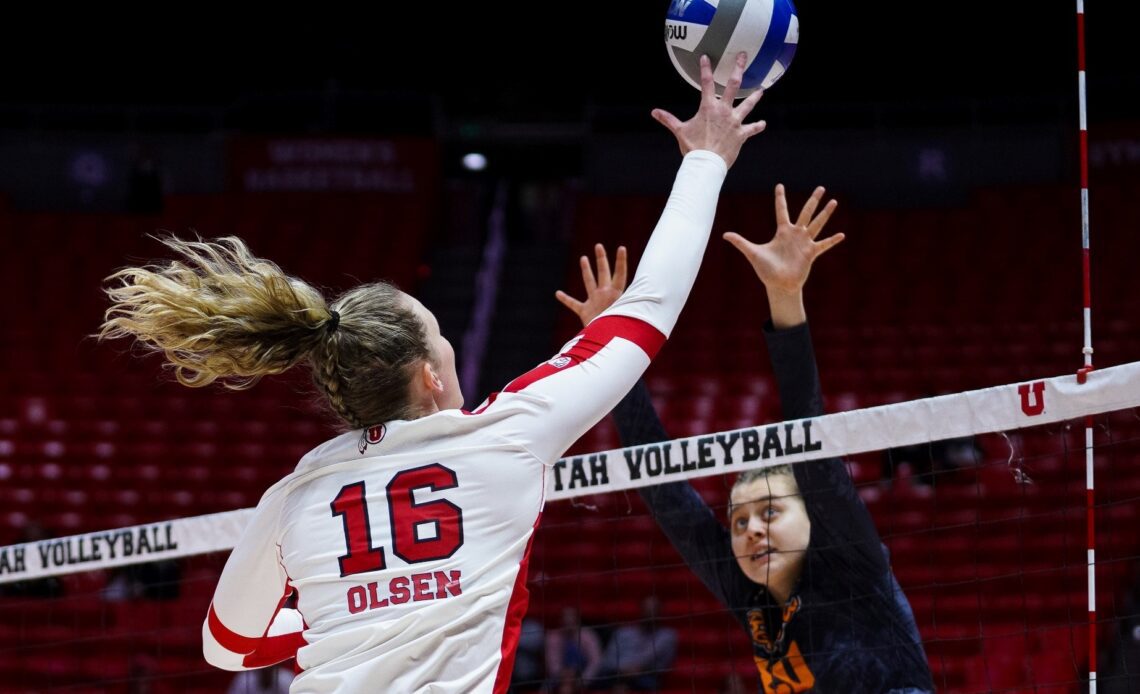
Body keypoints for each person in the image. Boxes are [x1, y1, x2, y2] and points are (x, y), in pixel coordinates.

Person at [97, 53, 767, 692]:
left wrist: (337, 618)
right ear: (430, 376)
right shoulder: (504, 438)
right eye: (443, 337)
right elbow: (649, 310)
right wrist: (706, 158)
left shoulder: (296, 492)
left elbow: (226, 645)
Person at [556, 187, 934, 692]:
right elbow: (662, 487)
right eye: (739, 521)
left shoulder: (853, 564)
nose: (751, 530)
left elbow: (809, 439)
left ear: (812, 520)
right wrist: (614, 345)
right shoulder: (751, 593)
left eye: (770, 512)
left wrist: (785, 295)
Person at [595, 595, 678, 692]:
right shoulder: (623, 633)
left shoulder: (667, 636)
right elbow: (607, 659)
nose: (649, 613)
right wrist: (623, 670)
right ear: (641, 610)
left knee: (623, 687)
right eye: (646, 609)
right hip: (615, 673)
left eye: (653, 610)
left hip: (646, 675)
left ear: (660, 612)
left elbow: (649, 659)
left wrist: (636, 669)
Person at [544, 607, 603, 693]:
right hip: (561, 677)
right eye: (565, 618)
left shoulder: (588, 635)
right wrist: (563, 676)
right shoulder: (552, 637)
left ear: (577, 620)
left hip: (585, 675)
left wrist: (583, 679)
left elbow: (596, 661)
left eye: (571, 618)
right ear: (561, 620)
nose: (568, 622)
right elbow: (552, 664)